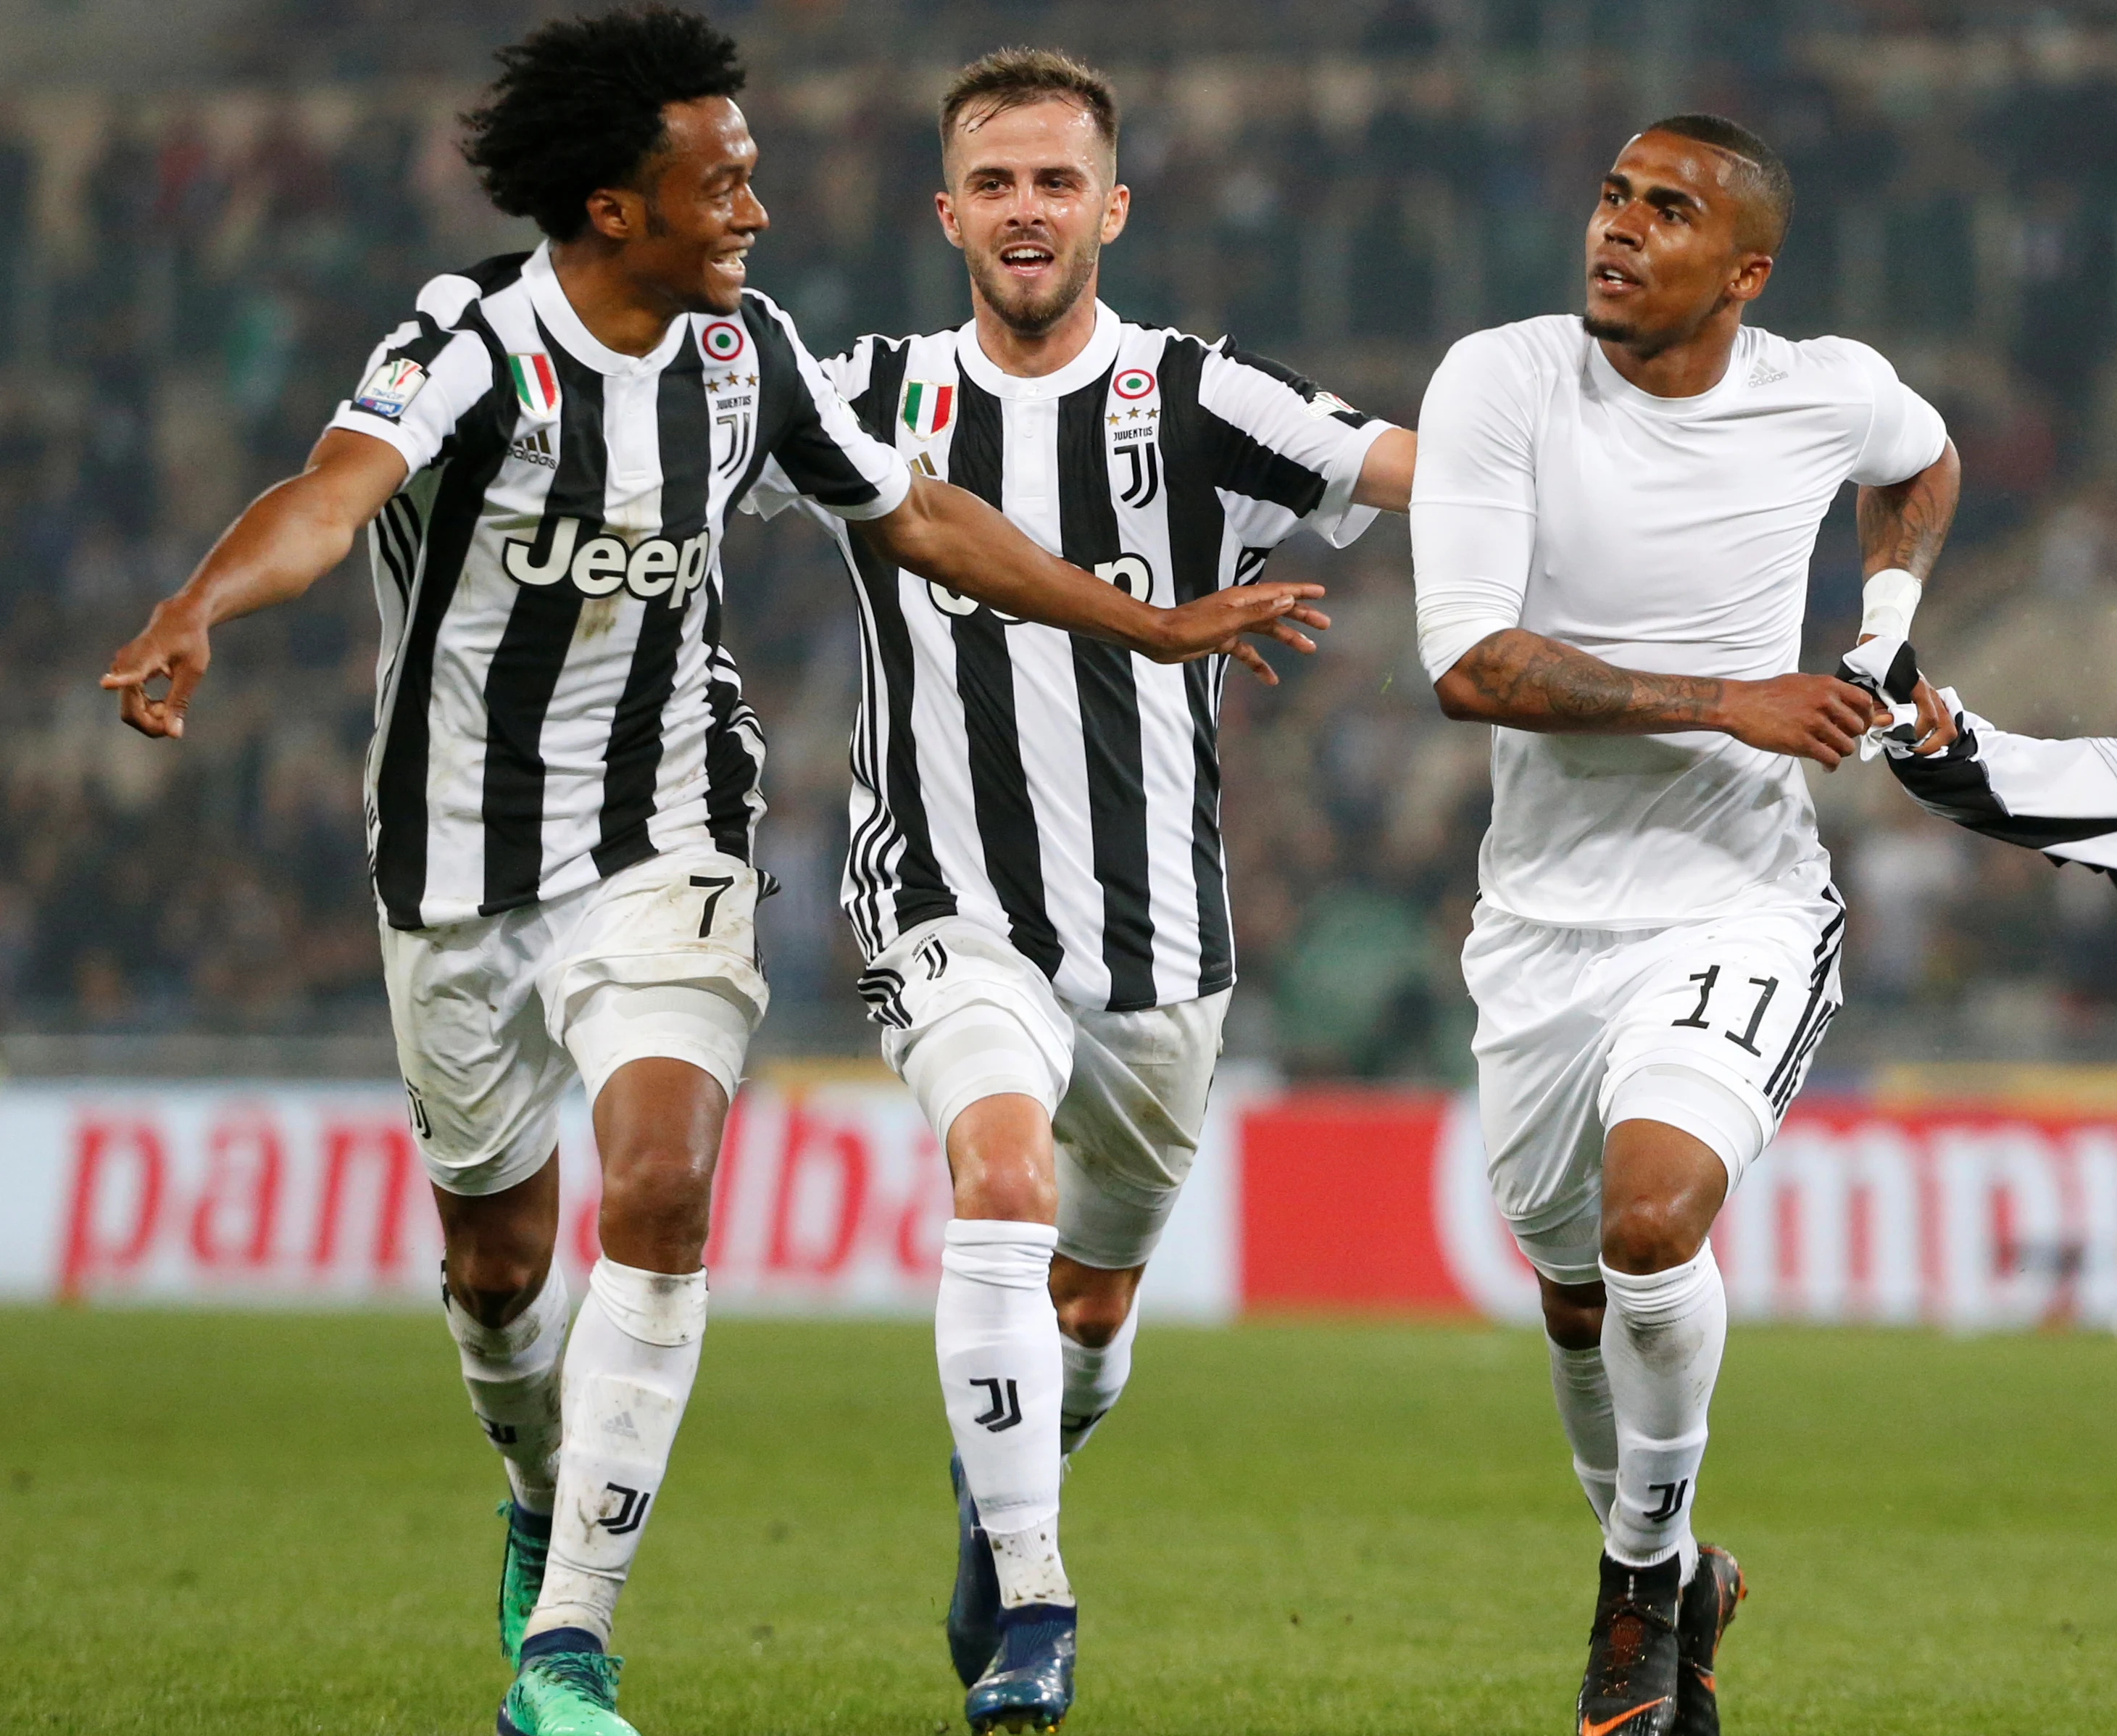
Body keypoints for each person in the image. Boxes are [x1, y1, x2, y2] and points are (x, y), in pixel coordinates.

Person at [95, 13, 1323, 1736]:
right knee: (502, 1278)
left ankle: (568, 1645)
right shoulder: (472, 344)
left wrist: (1152, 623)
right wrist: (198, 609)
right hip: (452, 866)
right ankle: (539, 1499)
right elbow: (331, 489)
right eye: (720, 178)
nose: (755, 202)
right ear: (613, 207)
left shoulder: (744, 359)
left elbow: (917, 512)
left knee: (662, 1187)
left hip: (667, 829)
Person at [764, 48, 1409, 1735]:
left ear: (1111, 208)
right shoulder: (866, 394)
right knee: (997, 1177)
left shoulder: (1201, 396)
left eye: (1057, 183)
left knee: (1096, 1310)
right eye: (995, 183)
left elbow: (1419, 473)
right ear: (947, 213)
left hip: (1162, 941)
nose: (1027, 211)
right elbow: (679, 444)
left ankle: (1021, 1460)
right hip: (946, 900)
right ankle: (1038, 1598)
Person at [1411, 115, 1958, 1736]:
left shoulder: (1823, 389)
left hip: (1738, 902)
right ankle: (1677, 1573)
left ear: (1745, 271)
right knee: (1577, 1296)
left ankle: (1637, 1589)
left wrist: (1887, 630)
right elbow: (1473, 668)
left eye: (1667, 212)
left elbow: (1921, 459)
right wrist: (1740, 696)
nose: (1619, 231)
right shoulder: (1500, 382)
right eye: (1610, 198)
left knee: (1656, 1226)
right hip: (1540, 926)